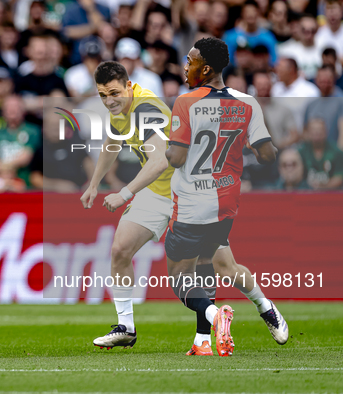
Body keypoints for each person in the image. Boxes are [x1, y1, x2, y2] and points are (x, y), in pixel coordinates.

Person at [165, 37, 287, 357]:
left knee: (180, 275)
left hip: (193, 198)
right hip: (227, 200)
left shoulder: (186, 102)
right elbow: (266, 154)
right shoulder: (247, 102)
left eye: (190, 60)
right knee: (218, 263)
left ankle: (215, 316)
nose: (185, 65)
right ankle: (218, 332)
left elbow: (176, 158)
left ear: (205, 68)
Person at [80, 61, 174, 349]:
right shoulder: (120, 110)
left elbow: (159, 161)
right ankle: (126, 328)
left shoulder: (146, 109)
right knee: (120, 250)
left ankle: (264, 306)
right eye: (102, 96)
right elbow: (112, 142)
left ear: (129, 87)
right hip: (157, 191)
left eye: (114, 93)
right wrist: (94, 183)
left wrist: (125, 193)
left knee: (220, 266)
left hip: (189, 191)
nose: (109, 101)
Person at [298, 118, 343, 190]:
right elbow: (296, 175)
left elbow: (339, 177)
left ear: (326, 132)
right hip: (305, 192)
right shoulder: (301, 152)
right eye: (313, 130)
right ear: (308, 132)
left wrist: (321, 188)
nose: (316, 132)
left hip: (330, 194)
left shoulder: (337, 152)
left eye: (319, 130)